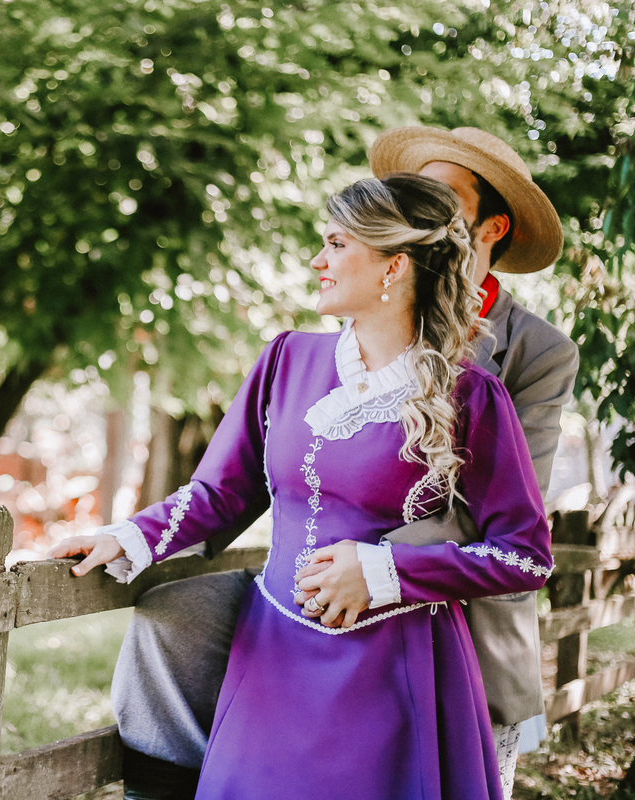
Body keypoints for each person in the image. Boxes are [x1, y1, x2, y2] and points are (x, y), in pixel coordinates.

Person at [70, 128, 578, 800]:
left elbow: (525, 555)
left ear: (395, 267)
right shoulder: (286, 358)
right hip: (271, 653)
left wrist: (387, 571)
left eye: (337, 244)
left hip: (396, 666)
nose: (318, 260)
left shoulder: (475, 393)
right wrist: (129, 535)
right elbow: (221, 493)